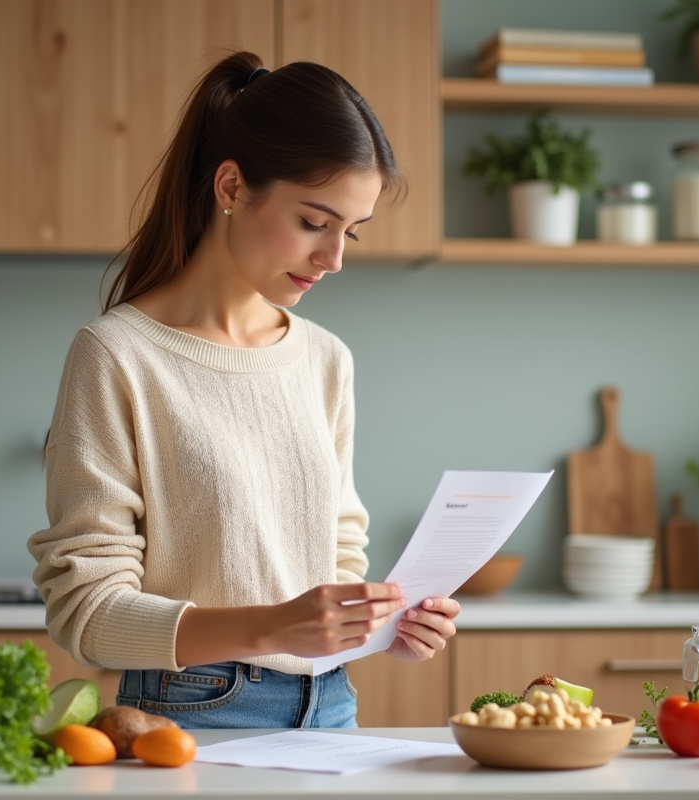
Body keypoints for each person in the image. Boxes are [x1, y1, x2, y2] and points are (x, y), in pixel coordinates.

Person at [27, 51, 460, 730]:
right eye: (315, 222)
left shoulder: (325, 359)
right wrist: (272, 629)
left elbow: (339, 558)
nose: (335, 258)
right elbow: (87, 615)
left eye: (351, 231)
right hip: (191, 714)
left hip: (333, 709)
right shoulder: (117, 355)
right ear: (231, 187)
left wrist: (384, 623)